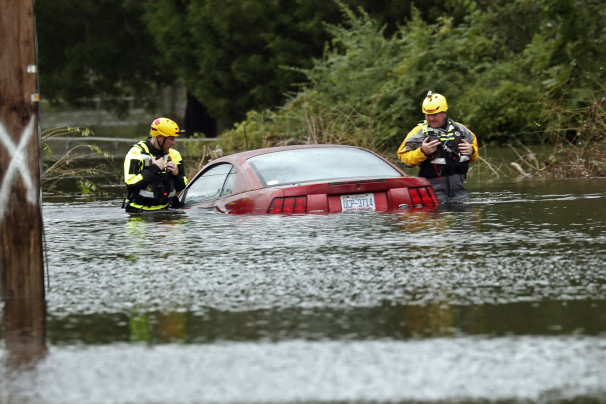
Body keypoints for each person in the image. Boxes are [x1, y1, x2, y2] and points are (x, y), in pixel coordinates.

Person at [397, 91, 478, 202]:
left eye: (434, 114)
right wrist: (423, 152)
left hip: (459, 193)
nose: (431, 118)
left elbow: (474, 154)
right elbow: (403, 158)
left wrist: (472, 150)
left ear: (444, 112)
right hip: (433, 194)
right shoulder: (418, 133)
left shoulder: (460, 130)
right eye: (428, 115)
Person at [122, 117, 188, 213]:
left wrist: (177, 174)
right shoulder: (136, 153)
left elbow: (182, 186)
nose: (174, 143)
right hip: (138, 213)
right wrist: (153, 169)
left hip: (166, 212)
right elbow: (131, 184)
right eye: (171, 139)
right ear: (159, 137)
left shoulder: (175, 155)